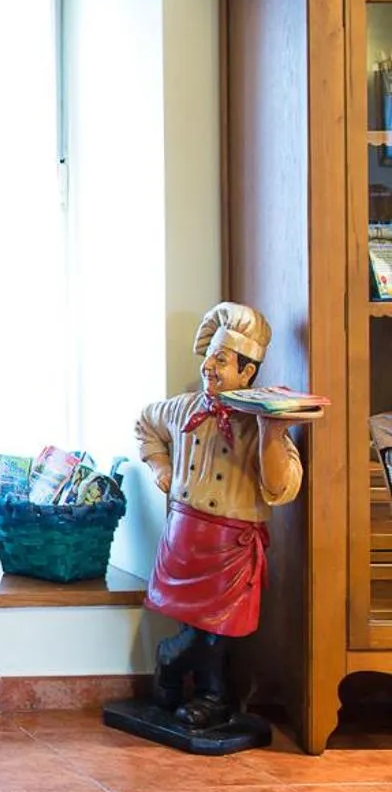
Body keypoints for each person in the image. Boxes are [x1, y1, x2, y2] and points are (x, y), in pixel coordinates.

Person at [134, 302, 303, 730]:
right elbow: (145, 425)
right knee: (193, 620)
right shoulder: (182, 409)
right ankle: (207, 694)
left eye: (222, 361)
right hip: (184, 535)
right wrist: (161, 467)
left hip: (231, 542)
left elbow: (283, 488)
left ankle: (179, 670)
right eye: (211, 358)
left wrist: (271, 432)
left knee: (220, 628)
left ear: (247, 374)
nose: (210, 367)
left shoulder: (258, 420)